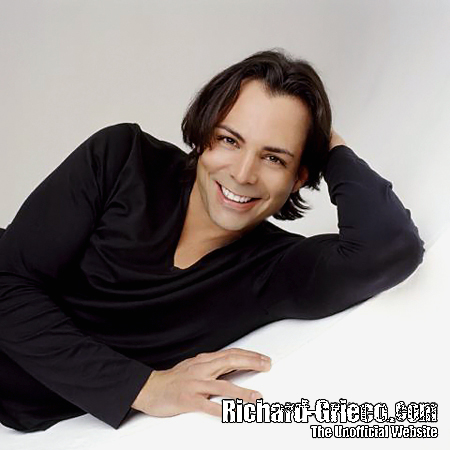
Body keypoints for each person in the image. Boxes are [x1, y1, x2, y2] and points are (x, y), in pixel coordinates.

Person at [0, 49, 424, 432]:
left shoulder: (272, 271)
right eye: (229, 140)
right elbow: (7, 284)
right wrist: (142, 387)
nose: (242, 173)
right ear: (203, 137)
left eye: (273, 158)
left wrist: (330, 146)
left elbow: (389, 248)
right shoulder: (122, 160)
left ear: (299, 178)